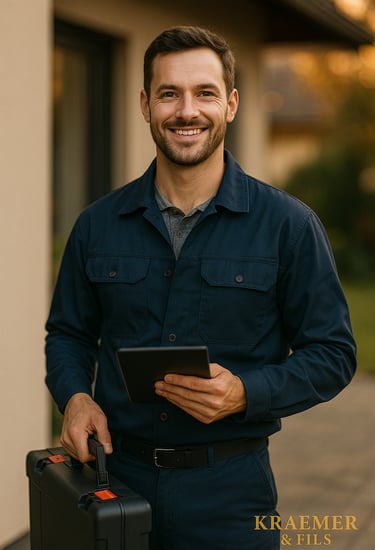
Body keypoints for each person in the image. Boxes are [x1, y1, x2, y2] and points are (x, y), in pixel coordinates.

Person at [45, 26, 356, 550]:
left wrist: (245, 392)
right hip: (115, 481)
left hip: (231, 496)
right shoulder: (96, 226)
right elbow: (68, 334)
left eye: (205, 93)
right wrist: (75, 398)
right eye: (169, 93)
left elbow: (334, 353)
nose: (186, 111)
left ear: (231, 104)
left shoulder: (289, 226)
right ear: (146, 105)